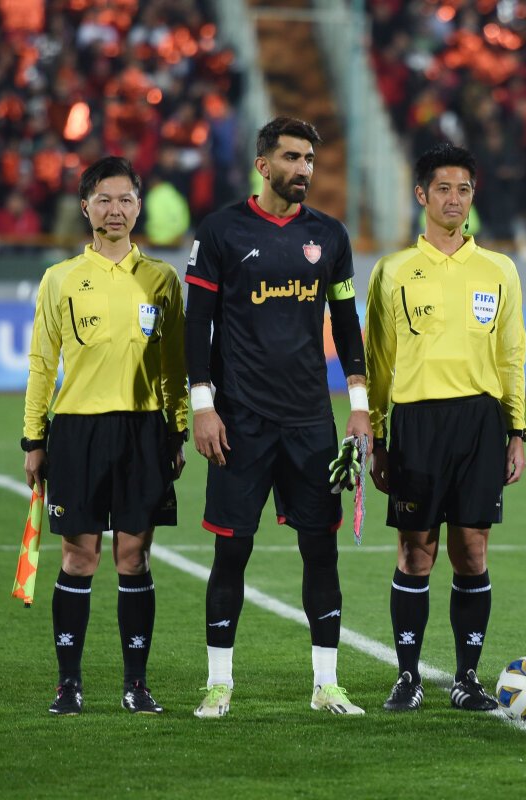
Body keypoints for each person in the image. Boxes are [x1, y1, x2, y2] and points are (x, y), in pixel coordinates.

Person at [185, 117, 369, 718]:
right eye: (292, 157)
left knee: (321, 550)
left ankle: (326, 683)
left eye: (309, 159)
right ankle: (219, 682)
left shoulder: (329, 236)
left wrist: (359, 408)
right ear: (263, 165)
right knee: (231, 552)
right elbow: (197, 323)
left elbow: (347, 324)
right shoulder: (221, 231)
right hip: (240, 420)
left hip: (310, 421)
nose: (303, 169)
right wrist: (203, 406)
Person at [22, 155, 188, 716]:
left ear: (139, 208)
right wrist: (33, 440)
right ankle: (68, 684)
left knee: (134, 557)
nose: (115, 210)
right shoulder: (61, 278)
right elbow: (42, 363)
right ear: (86, 206)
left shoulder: (162, 279)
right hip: (77, 431)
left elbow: (174, 366)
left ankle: (136, 685)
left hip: (144, 430)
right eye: (104, 200)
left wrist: (177, 429)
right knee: (79, 558)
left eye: (125, 200)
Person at [365, 143, 526, 712]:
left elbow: (511, 355)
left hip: (480, 422)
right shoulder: (393, 271)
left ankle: (466, 677)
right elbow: (378, 361)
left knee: (472, 552)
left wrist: (517, 431)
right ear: (421, 195)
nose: (454, 199)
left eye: (463, 189)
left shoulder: (499, 270)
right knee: (416, 553)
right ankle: (408, 676)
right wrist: (378, 438)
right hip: (416, 423)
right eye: (443, 189)